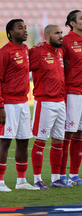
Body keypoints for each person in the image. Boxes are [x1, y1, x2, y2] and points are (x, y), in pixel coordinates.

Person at [30, 25, 72, 189]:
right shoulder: (37, 51)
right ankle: (37, 180)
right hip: (44, 101)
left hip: (61, 101)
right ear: (47, 36)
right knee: (40, 141)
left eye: (61, 33)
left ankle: (56, 179)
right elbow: (22, 68)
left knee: (58, 141)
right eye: (57, 33)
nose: (61, 36)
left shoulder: (60, 51)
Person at [0, 19, 39, 192]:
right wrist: (0, 107)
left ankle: (21, 181)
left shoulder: (25, 50)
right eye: (20, 28)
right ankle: (0, 181)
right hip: (8, 103)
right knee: (5, 142)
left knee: (23, 141)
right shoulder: (4, 53)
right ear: (11, 32)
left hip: (23, 102)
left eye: (25, 27)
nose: (25, 30)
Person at [61, 10, 82, 186]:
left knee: (80, 133)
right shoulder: (65, 41)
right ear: (72, 23)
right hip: (71, 92)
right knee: (67, 133)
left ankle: (74, 175)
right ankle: (61, 176)